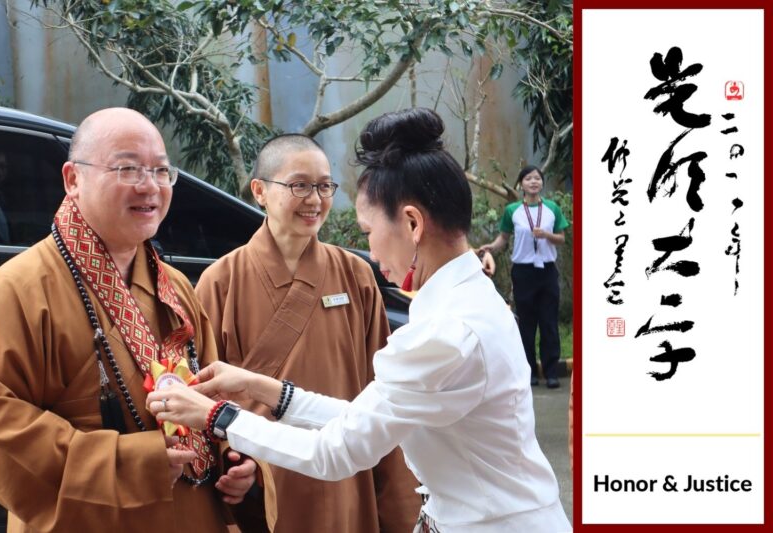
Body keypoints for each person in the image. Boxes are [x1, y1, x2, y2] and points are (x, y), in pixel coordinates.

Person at [147, 108, 572, 532]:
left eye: (368, 231)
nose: (371, 251)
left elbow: (333, 452)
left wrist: (216, 414)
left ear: (411, 223)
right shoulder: (468, 301)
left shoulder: (444, 332)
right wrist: (262, 388)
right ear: (259, 191)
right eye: (299, 186)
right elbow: (369, 410)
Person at [0, 108, 274, 533]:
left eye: (161, 171)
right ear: (73, 179)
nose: (150, 186)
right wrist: (127, 465)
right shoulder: (19, 288)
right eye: (128, 168)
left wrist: (238, 460)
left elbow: (210, 398)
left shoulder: (176, 287)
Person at [195, 134, 420, 533]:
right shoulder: (220, 282)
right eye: (300, 185)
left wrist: (401, 513)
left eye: (324, 185)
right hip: (262, 483)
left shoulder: (354, 275)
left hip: (345, 478)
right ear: (260, 191)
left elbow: (383, 394)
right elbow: (201, 396)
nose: (315, 199)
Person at [478, 166, 569, 388]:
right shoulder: (513, 210)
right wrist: (490, 247)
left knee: (548, 323)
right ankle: (529, 372)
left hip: (547, 271)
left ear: (542, 183)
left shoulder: (552, 208)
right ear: (521, 184)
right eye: (528, 178)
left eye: (537, 178)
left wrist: (546, 235)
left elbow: (561, 238)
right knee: (526, 324)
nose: (534, 182)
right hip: (523, 272)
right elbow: (503, 238)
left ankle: (551, 372)